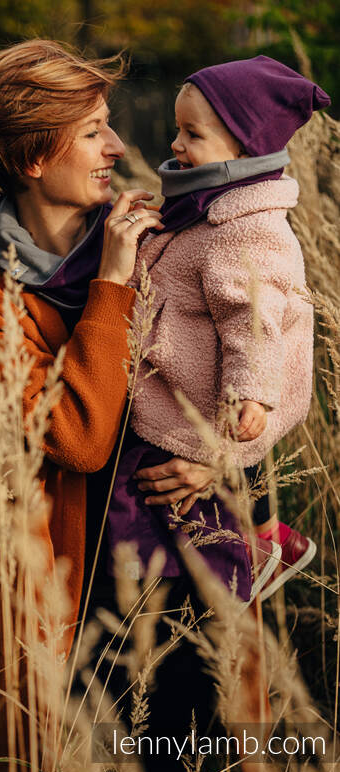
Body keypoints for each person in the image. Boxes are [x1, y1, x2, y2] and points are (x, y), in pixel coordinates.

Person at [0, 39, 215, 772]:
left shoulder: (165, 243)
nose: (118, 146)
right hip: (71, 592)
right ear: (32, 156)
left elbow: (245, 371)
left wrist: (216, 452)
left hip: (184, 569)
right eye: (93, 130)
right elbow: (79, 443)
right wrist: (112, 286)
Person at [107, 56, 330, 607]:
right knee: (154, 507)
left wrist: (251, 392)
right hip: (173, 403)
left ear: (245, 150)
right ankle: (248, 552)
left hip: (208, 417)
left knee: (196, 527)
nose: (177, 145)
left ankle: (233, 595)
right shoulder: (204, 212)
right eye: (177, 130)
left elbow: (252, 320)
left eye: (193, 134)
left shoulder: (248, 230)